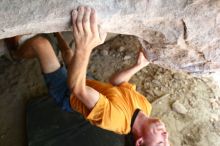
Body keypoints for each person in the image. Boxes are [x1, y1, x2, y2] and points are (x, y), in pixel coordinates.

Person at [7, 6, 169, 146]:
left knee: (41, 44)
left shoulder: (116, 120)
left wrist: (84, 47)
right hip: (85, 82)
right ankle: (56, 33)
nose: (165, 134)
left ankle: (16, 53)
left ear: (140, 142)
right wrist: (137, 66)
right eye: (167, 138)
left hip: (67, 94)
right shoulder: (146, 107)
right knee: (68, 53)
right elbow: (117, 82)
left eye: (160, 143)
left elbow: (77, 89)